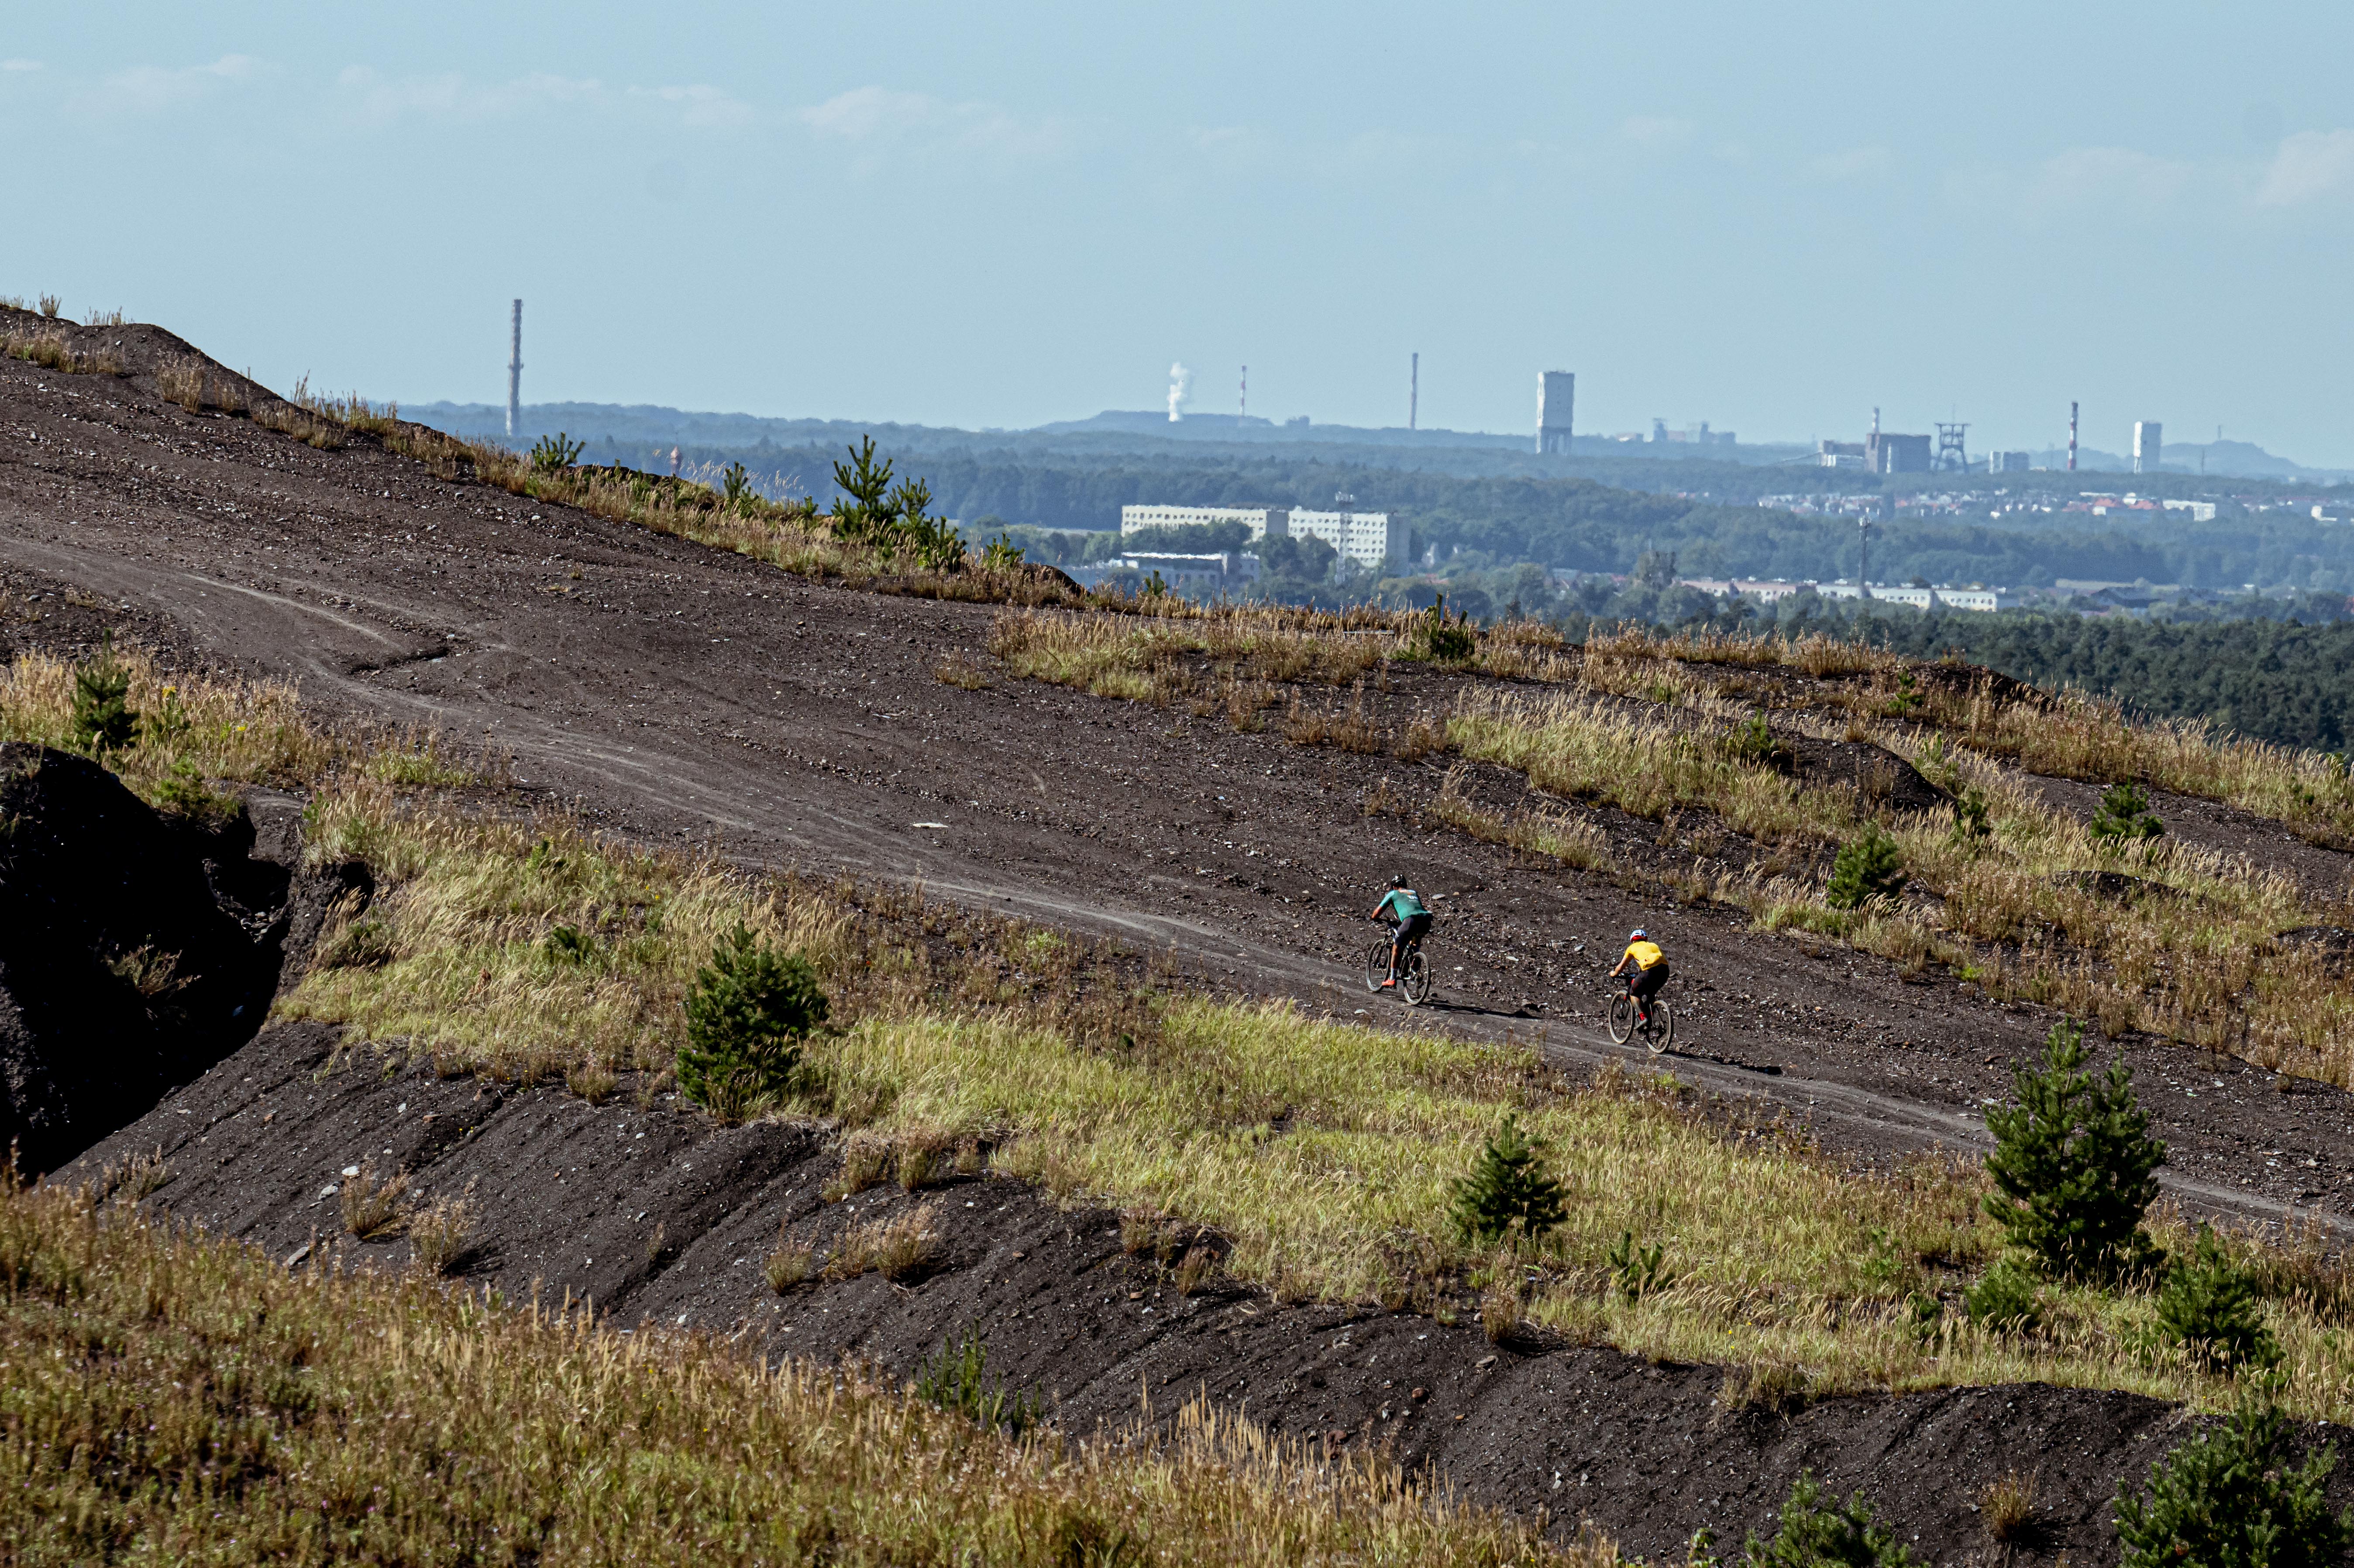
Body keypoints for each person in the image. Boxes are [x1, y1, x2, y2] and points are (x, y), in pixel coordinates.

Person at [1370, 875, 1432, 989]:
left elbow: (1378, 912)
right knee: (1415, 941)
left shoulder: (1393, 894)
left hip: (1411, 920)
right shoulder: (1413, 892)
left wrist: (1374, 917)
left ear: (1394, 886)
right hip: (1426, 921)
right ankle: (1415, 962)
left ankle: (1392, 979)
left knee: (1397, 948)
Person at [1611, 928, 1669, 1024]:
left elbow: (1620, 968)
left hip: (1649, 971)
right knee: (1651, 994)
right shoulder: (1653, 945)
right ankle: (1650, 1021)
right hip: (1664, 971)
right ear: (1645, 939)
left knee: (1633, 994)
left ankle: (1643, 1018)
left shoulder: (1631, 948)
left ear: (1633, 940)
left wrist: (1614, 973)